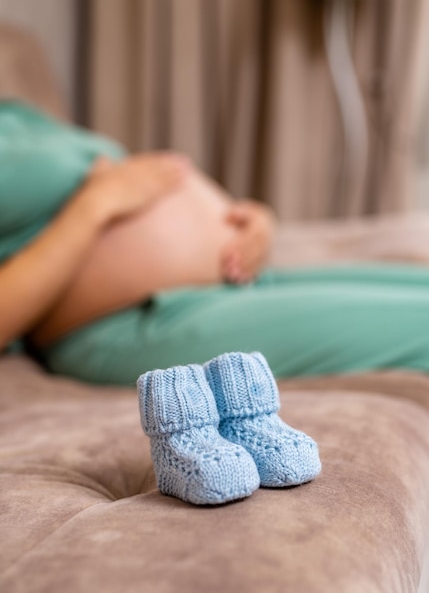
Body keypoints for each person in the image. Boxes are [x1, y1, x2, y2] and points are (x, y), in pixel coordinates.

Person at [1, 99, 429, 385]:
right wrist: (96, 206)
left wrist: (250, 222)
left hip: (238, 279)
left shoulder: (15, 114)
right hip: (135, 321)